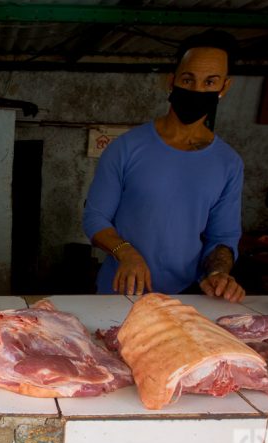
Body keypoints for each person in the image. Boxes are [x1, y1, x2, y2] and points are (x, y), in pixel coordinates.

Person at [82, 30, 246, 302]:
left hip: (184, 299)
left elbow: (223, 237)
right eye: (188, 79)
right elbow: (95, 219)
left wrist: (219, 273)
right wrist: (126, 253)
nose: (197, 90)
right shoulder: (126, 148)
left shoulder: (228, 163)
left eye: (210, 82)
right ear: (171, 82)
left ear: (224, 88)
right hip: (119, 294)